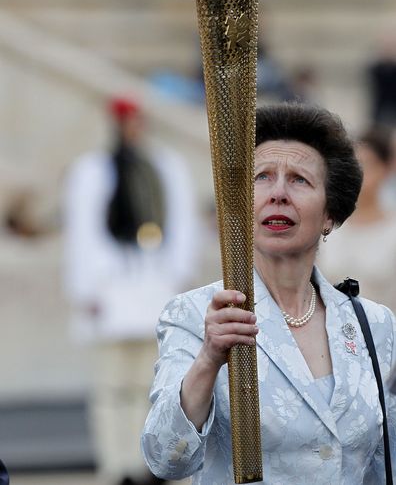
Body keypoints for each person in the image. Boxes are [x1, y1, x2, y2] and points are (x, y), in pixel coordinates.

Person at [141, 102, 396, 484]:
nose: (278, 193)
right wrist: (209, 360)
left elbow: (384, 464)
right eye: (261, 177)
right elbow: (165, 458)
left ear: (330, 213)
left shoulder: (374, 326)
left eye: (299, 179)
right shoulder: (196, 315)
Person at [63, 95, 199, 485]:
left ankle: (149, 462)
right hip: (112, 287)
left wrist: (176, 278)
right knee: (111, 385)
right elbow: (84, 233)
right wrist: (88, 288)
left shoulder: (164, 167)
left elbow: (181, 225)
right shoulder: (93, 170)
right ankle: (116, 463)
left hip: (153, 283)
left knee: (152, 382)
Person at [319, 124, 396, 312]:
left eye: (367, 165)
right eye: (353, 165)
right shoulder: (326, 226)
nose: (359, 174)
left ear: (386, 168)